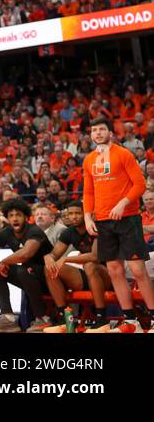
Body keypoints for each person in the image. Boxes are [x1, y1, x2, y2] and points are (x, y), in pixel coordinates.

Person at [82, 117, 153, 332]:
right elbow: (88, 191)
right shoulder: (89, 160)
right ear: (91, 135)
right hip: (103, 221)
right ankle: (130, 318)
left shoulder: (123, 154)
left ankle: (152, 317)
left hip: (128, 219)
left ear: (110, 132)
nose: (98, 133)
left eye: (102, 129)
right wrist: (87, 217)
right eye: (94, 130)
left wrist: (123, 203)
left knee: (138, 270)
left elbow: (140, 184)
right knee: (114, 270)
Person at [0, 198, 53, 332]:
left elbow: (26, 253)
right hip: (28, 276)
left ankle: (43, 318)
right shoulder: (7, 232)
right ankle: (8, 319)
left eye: (18, 215)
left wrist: (5, 261)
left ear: (26, 217)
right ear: (7, 218)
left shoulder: (34, 231)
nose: (14, 219)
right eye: (11, 215)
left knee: (23, 269)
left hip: (49, 278)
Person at [43, 200, 110, 332]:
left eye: (78, 213)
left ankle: (102, 318)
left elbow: (95, 256)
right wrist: (49, 258)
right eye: (70, 214)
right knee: (49, 268)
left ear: (86, 214)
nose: (74, 217)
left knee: (90, 265)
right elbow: (54, 253)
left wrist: (66, 259)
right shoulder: (69, 232)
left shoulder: (96, 227)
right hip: (88, 275)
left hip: (108, 276)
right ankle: (65, 318)